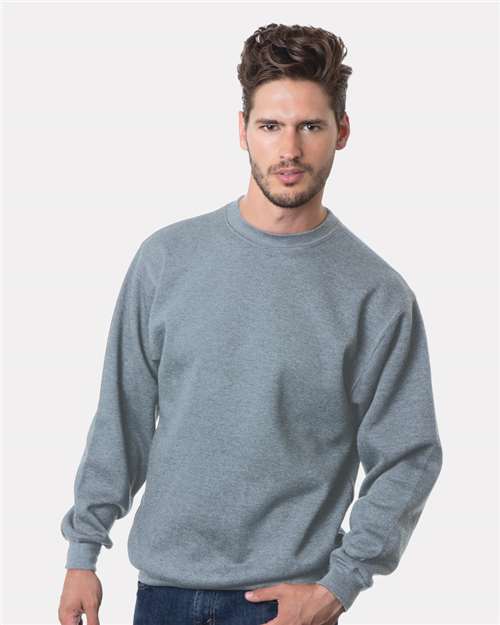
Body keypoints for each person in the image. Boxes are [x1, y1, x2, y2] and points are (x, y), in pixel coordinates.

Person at [58, 22, 443, 625]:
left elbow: (409, 455)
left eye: (309, 126)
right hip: (162, 595)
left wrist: (339, 585)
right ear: (242, 130)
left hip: (287, 604)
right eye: (270, 126)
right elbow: (122, 416)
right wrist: (83, 551)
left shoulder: (376, 294)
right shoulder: (167, 260)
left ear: (341, 132)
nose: (289, 150)